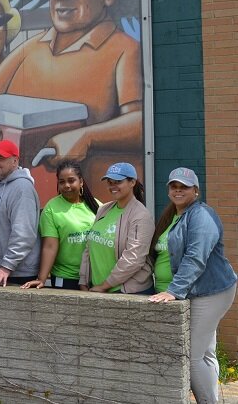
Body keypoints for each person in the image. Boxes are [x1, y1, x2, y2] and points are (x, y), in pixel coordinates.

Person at [0, 0, 142, 181]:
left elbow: (140, 122)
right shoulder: (30, 47)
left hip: (90, 200)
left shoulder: (125, 49)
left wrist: (87, 136)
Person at [148, 168, 237, 403]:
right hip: (198, 292)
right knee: (206, 351)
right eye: (174, 186)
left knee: (193, 356)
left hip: (211, 291)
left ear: (196, 191)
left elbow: (196, 257)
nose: (178, 190)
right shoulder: (175, 215)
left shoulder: (201, 216)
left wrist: (173, 291)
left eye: (184, 187)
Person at [21, 160, 99, 290]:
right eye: (62, 182)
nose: (66, 185)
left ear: (81, 182)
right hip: (66, 278)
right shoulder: (51, 209)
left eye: (71, 180)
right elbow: (49, 246)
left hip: (94, 277)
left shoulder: (96, 206)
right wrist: (42, 279)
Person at [79, 162, 155, 294]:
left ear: (132, 182)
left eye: (118, 182)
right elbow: (89, 247)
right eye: (110, 182)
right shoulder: (103, 209)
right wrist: (83, 280)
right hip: (98, 289)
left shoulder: (141, 216)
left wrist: (105, 285)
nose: (113, 186)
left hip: (128, 292)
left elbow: (134, 258)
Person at [0, 140, 41, 287]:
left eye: (0, 158)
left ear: (15, 161)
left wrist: (7, 266)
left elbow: (24, 233)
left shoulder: (22, 188)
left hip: (16, 273)